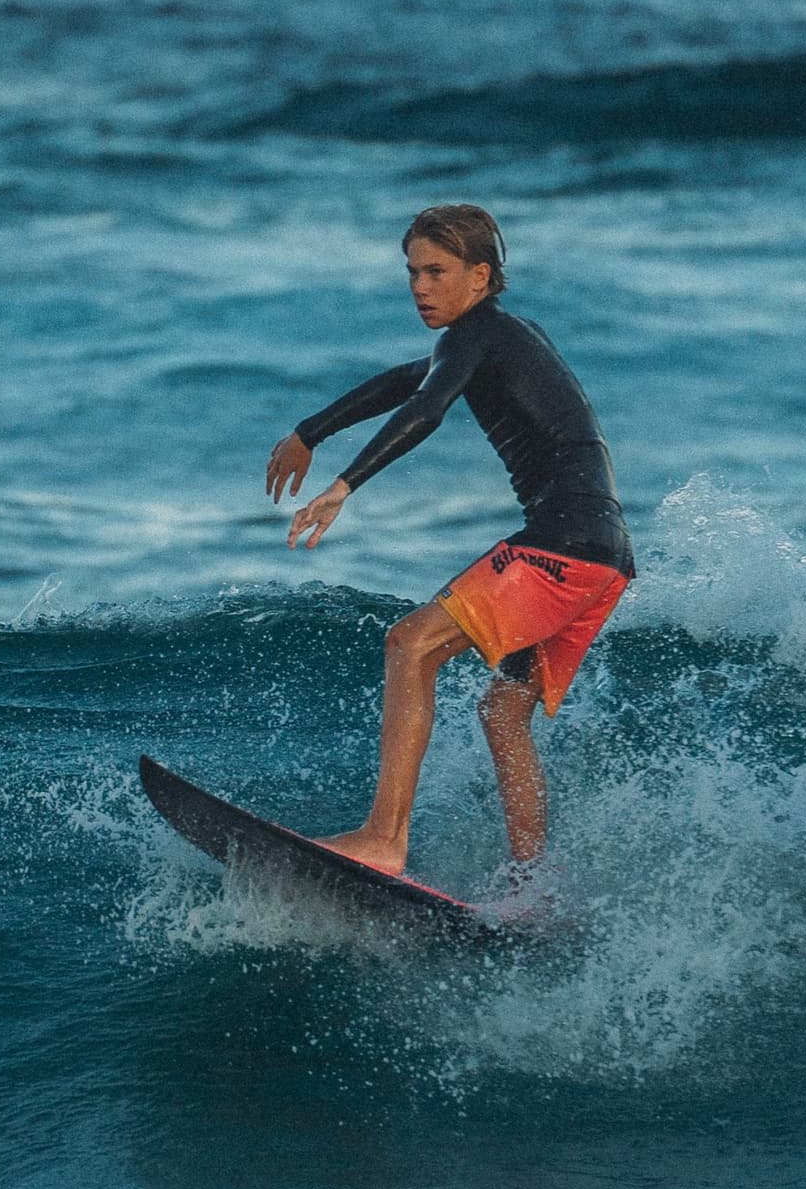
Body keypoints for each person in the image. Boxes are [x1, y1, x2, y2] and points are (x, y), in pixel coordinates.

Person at [265, 205, 633, 876]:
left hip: (562, 545)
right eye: (412, 272)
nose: (420, 287)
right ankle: (533, 885)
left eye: (436, 272)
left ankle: (383, 837)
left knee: (410, 644)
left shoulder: (477, 333)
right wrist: (309, 430)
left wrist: (344, 484)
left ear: (480, 275)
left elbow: (426, 408)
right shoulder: (503, 337)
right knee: (503, 711)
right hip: (606, 558)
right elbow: (409, 382)